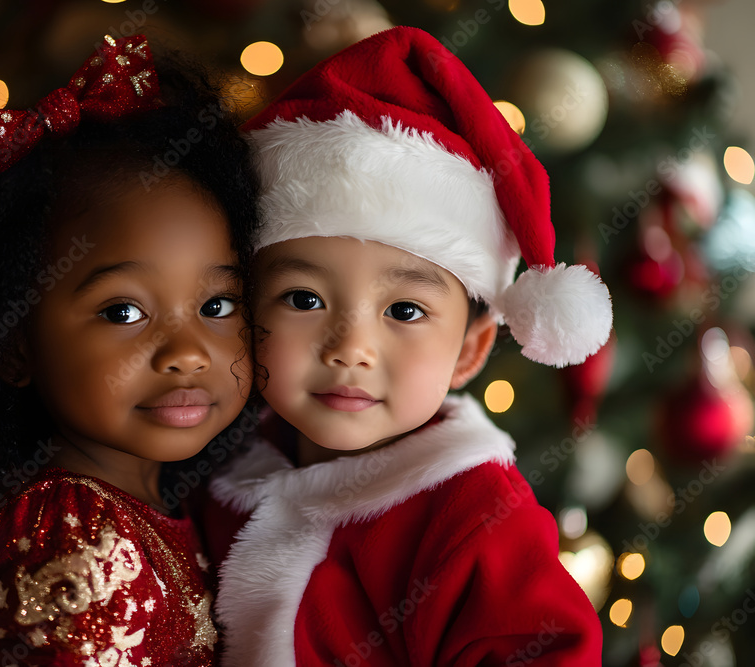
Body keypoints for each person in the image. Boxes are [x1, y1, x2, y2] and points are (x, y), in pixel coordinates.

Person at [203, 26, 611, 666]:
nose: (350, 348)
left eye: (404, 310)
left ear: (470, 352)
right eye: (304, 299)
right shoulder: (216, 457)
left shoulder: (473, 516)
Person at [0, 34, 261, 666]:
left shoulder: (163, 503)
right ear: (15, 347)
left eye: (217, 306)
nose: (189, 351)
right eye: (123, 312)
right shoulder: (73, 526)